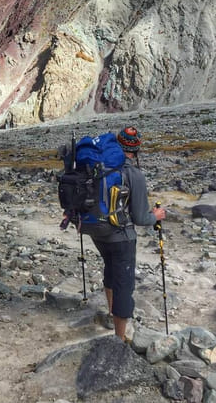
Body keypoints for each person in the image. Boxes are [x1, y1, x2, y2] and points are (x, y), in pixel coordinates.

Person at [86, 126, 165, 340]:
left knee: (111, 271)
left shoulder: (97, 166)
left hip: (96, 231)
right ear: (135, 150)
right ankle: (119, 339)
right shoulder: (133, 173)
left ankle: (113, 318)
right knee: (124, 284)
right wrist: (156, 216)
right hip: (121, 236)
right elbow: (140, 218)